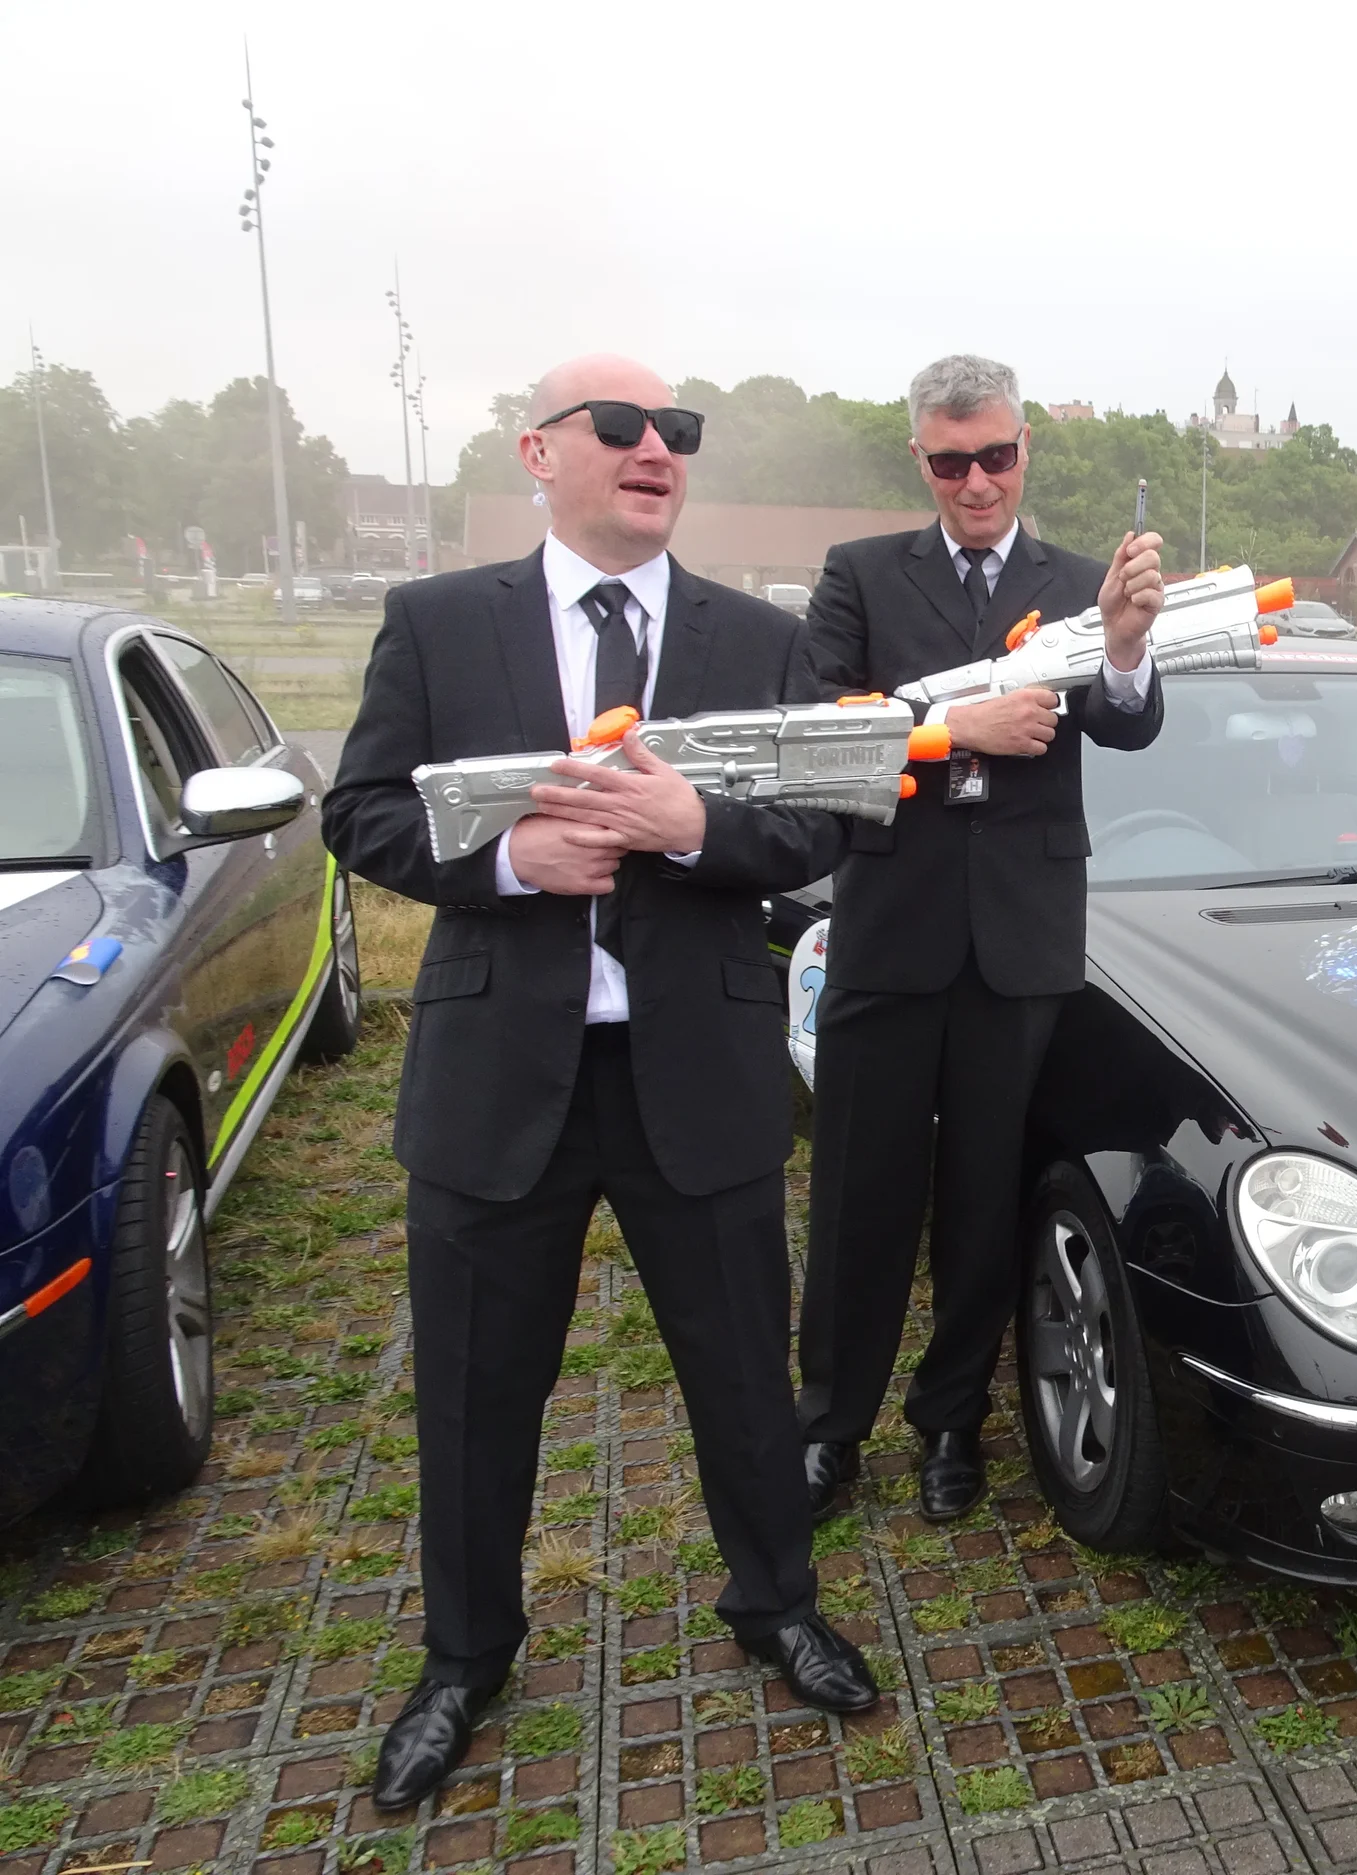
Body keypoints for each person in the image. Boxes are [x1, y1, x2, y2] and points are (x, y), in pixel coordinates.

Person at [324, 355, 876, 1813]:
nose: (654, 448)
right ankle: (463, 1655)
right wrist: (512, 861)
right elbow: (363, 813)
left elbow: (820, 826)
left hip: (694, 1064)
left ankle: (776, 1603)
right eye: (620, 426)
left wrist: (696, 825)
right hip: (500, 1072)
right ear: (539, 451)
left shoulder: (753, 636)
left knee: (748, 1377)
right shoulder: (440, 622)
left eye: (675, 431)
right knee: (472, 1386)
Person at [797, 354, 1164, 1525]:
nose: (975, 481)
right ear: (922, 460)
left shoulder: (1073, 581)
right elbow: (819, 732)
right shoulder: (858, 578)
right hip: (891, 931)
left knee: (983, 1197)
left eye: (995, 457)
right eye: (952, 461)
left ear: (1021, 453)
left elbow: (1132, 724)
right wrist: (958, 728)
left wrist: (1120, 642)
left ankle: (951, 1420)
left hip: (1020, 939)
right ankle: (829, 1425)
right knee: (862, 1193)